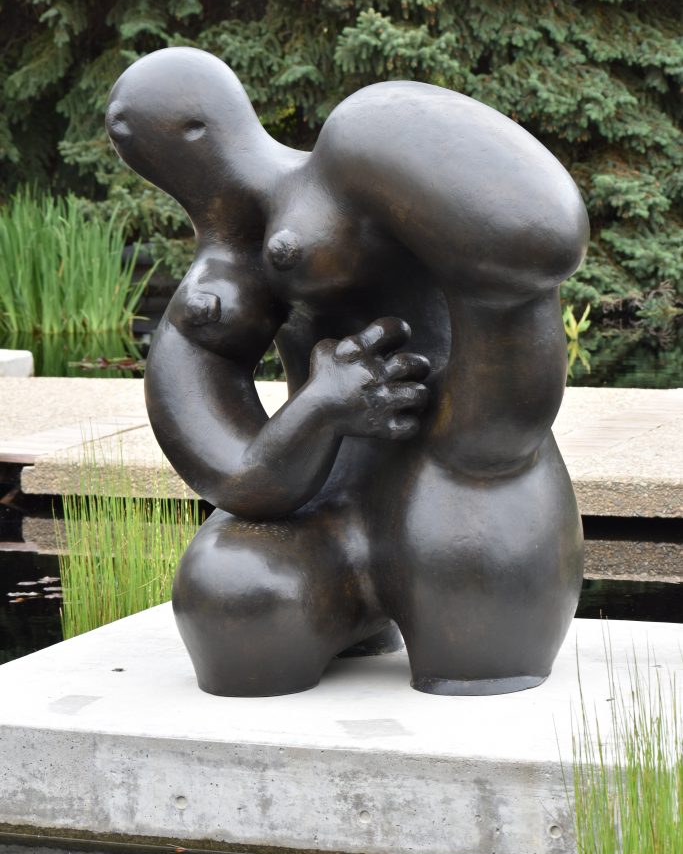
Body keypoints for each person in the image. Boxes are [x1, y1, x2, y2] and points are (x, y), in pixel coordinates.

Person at [106, 47, 589, 697]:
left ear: (199, 127)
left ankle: (469, 550)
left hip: (464, 470)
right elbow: (230, 466)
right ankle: (348, 599)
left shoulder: (358, 151)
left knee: (475, 623)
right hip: (326, 496)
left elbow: (535, 238)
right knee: (230, 601)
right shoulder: (217, 278)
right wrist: (321, 408)